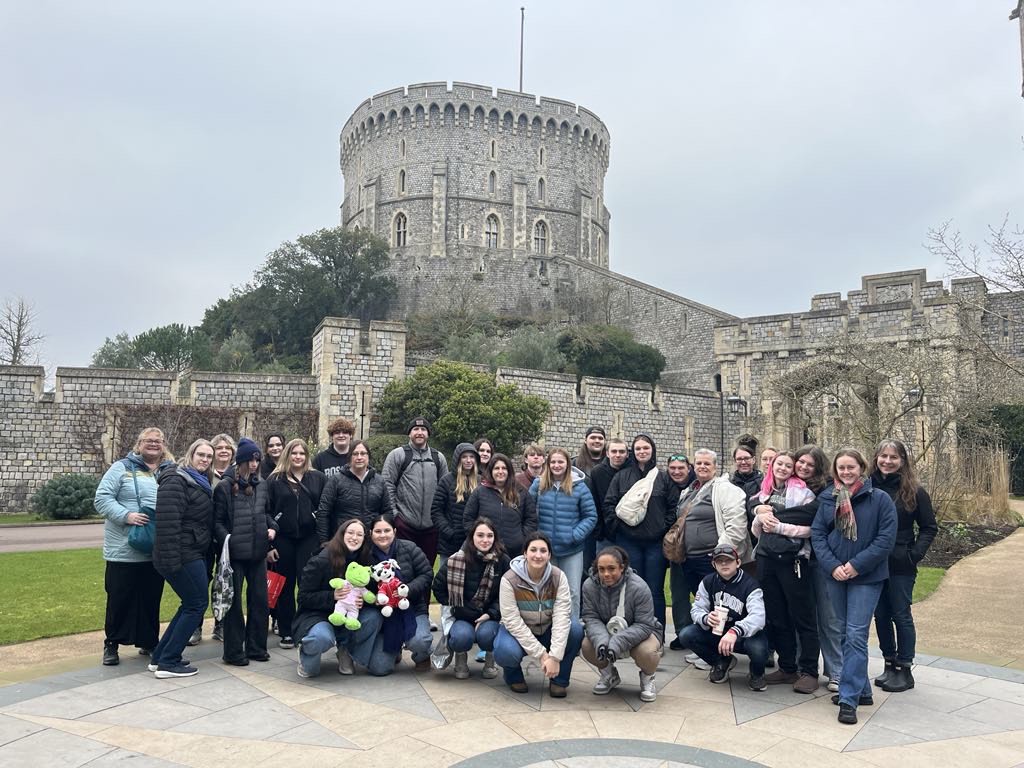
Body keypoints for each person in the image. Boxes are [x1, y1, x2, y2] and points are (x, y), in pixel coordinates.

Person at [811, 448, 897, 725]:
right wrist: (833, 566)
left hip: (866, 577)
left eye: (851, 467)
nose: (846, 472)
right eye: (841, 468)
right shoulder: (829, 497)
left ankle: (848, 699)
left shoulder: (879, 499)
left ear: (861, 467)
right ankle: (863, 690)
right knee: (845, 635)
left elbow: (885, 540)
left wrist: (856, 565)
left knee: (856, 635)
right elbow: (818, 534)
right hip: (835, 575)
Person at [94, 427, 175, 666]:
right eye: (148, 441)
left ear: (164, 445)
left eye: (158, 441)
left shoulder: (168, 471)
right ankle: (112, 643)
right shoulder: (121, 468)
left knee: (151, 597)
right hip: (124, 547)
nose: (153, 444)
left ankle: (148, 641)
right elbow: (102, 498)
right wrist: (126, 515)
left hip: (154, 547)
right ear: (138, 444)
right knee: (120, 597)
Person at [870, 439, 937, 694]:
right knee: (881, 615)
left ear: (902, 461)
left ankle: (905, 668)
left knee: (901, 614)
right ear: (876, 458)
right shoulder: (868, 487)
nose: (887, 461)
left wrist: (914, 554)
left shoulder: (914, 490)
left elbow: (929, 527)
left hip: (900, 562)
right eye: (883, 456)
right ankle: (889, 662)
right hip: (874, 563)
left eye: (893, 457)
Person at [750, 451, 820, 694]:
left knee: (803, 617)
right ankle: (787, 666)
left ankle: (809, 671)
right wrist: (760, 519)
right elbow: (757, 527)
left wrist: (778, 526)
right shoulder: (766, 491)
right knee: (777, 616)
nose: (782, 468)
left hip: (793, 560)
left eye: (787, 465)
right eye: (778, 463)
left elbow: (810, 529)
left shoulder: (804, 493)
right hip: (767, 558)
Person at [149, 439, 216, 679]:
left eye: (209, 456)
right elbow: (168, 524)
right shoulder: (176, 479)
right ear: (190, 454)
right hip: (181, 554)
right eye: (201, 454)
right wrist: (172, 561)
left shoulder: (197, 480)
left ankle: (160, 657)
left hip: (190, 550)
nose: (205, 460)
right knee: (197, 604)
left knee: (189, 603)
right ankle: (169, 661)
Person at [674, 449, 753, 643]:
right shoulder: (690, 490)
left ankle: (720, 649)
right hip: (690, 558)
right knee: (705, 607)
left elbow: (737, 525)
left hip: (711, 558)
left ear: (715, 467)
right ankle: (707, 646)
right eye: (699, 463)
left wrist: (720, 555)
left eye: (707, 463)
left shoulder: (726, 489)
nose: (702, 467)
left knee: (718, 607)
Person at [493, 532, 584, 697]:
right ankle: (513, 676)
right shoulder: (509, 579)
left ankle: (559, 680)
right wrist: (542, 655)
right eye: (533, 550)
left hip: (547, 628)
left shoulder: (558, 577)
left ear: (549, 555)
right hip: (519, 631)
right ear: (525, 553)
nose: (538, 555)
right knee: (505, 650)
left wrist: (555, 657)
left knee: (575, 630)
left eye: (543, 551)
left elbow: (562, 617)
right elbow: (512, 621)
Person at [293, 518, 384, 677]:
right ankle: (307, 650)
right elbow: (303, 597)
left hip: (349, 614)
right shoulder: (321, 560)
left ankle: (346, 650)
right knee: (316, 653)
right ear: (341, 534)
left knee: (373, 617)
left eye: (359, 535)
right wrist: (332, 596)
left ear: (364, 539)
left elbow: (369, 592)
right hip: (319, 616)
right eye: (350, 533)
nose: (354, 538)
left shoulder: (365, 560)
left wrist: (362, 601)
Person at [259, 438, 326, 649]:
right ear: (288, 455)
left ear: (307, 457)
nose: (298, 457)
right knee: (285, 585)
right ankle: (287, 630)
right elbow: (265, 511)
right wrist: (269, 546)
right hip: (283, 538)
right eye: (294, 453)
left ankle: (305, 627)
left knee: (306, 584)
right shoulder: (274, 480)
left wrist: (323, 540)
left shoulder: (318, 478)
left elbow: (324, 510)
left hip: (309, 538)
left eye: (302, 454)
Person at [603, 434, 675, 626]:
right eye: (638, 449)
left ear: (652, 450)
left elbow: (672, 507)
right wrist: (620, 528)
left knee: (654, 590)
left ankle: (656, 633)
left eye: (646, 448)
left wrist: (663, 528)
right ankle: (635, 632)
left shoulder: (662, 478)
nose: (642, 452)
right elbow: (609, 505)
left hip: (655, 543)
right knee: (632, 588)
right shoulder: (621, 477)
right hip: (629, 541)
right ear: (632, 453)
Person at [213, 438, 273, 666]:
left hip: (258, 553)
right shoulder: (225, 487)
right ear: (242, 461)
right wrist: (228, 540)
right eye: (251, 459)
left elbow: (266, 514)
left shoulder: (263, 485)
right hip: (234, 555)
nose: (255, 464)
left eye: (258, 459)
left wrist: (272, 529)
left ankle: (257, 648)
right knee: (234, 604)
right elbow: (217, 522)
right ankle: (234, 652)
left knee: (260, 601)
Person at [676, 544, 768, 689]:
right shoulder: (707, 582)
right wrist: (706, 618)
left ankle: (757, 673)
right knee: (686, 635)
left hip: (745, 636)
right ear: (714, 564)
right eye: (720, 561)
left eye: (728, 560)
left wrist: (735, 631)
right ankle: (721, 661)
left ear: (738, 563)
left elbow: (758, 617)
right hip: (718, 632)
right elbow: (696, 609)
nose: (724, 564)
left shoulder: (751, 586)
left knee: (758, 648)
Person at [581, 546, 663, 702]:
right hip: (606, 631)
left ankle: (647, 678)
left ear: (622, 567)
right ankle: (609, 675)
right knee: (587, 645)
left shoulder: (639, 587)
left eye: (611, 568)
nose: (606, 574)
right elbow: (591, 617)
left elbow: (645, 625)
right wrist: (603, 641)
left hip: (642, 633)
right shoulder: (589, 586)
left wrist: (617, 641)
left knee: (647, 652)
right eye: (601, 569)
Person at [431, 518, 509, 679]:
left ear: (495, 538)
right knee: (461, 637)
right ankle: (460, 659)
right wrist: (457, 606)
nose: (485, 540)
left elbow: (508, 595)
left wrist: (491, 614)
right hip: (462, 615)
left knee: (487, 635)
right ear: (472, 537)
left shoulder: (502, 561)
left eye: (489, 535)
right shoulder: (457, 560)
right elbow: (438, 588)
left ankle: (490, 660)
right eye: (480, 535)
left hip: (489, 616)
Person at [793, 443, 842, 692]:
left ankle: (836, 671)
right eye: (800, 462)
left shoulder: (828, 490)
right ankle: (805, 668)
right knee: (804, 617)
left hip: (821, 561)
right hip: (797, 561)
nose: (803, 467)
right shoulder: (790, 486)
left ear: (819, 467)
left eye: (809, 464)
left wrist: (774, 513)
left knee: (829, 618)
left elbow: (809, 516)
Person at [528, 447, 598, 619]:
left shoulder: (579, 487)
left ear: (567, 464)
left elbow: (590, 516)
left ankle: (572, 629)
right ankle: (548, 630)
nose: (557, 465)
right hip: (545, 551)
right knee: (546, 592)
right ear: (548, 463)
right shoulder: (538, 485)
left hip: (571, 550)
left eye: (560, 462)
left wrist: (574, 535)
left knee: (572, 591)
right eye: (553, 462)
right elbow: (528, 512)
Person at [365, 513, 434, 673]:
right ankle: (395, 650)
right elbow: (362, 585)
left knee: (420, 641)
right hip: (385, 613)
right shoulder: (366, 555)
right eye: (378, 531)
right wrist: (374, 598)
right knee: (379, 669)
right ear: (370, 533)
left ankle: (421, 655)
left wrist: (408, 590)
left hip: (413, 607)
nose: (383, 535)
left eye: (387, 530)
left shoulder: (409, 548)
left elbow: (426, 574)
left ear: (395, 531)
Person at [382, 416, 448, 570]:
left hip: (431, 528)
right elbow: (387, 485)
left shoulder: (438, 458)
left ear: (428, 434)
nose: (419, 432)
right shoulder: (398, 455)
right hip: (404, 525)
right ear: (409, 433)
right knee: (403, 570)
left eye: (423, 429)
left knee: (426, 570)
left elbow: (446, 490)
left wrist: (440, 519)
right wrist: (395, 515)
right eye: (416, 429)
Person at [463, 453, 538, 559]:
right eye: (496, 468)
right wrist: (478, 539)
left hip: (514, 552)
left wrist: (521, 539)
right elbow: (468, 519)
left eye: (504, 468)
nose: (500, 472)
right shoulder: (480, 492)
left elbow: (531, 519)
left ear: (509, 471)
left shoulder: (521, 492)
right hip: (485, 551)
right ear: (491, 471)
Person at [316, 440, 391, 542]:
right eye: (355, 454)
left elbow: (387, 512)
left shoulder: (379, 481)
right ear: (349, 457)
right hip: (343, 540)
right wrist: (324, 542)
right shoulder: (336, 480)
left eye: (363, 453)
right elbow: (323, 513)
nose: (359, 457)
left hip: (371, 540)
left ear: (368, 456)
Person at [665, 453, 698, 651]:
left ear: (689, 468)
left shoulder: (698, 486)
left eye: (681, 468)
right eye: (673, 468)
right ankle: (682, 632)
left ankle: (700, 633)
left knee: (701, 593)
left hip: (697, 547)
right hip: (676, 547)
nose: (677, 472)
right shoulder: (663, 484)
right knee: (678, 592)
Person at [431, 443, 481, 562]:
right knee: (445, 578)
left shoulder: (480, 481)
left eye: (472, 457)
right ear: (458, 459)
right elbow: (436, 511)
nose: (468, 460)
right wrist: (449, 532)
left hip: (474, 542)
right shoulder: (446, 481)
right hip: (450, 544)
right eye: (464, 457)